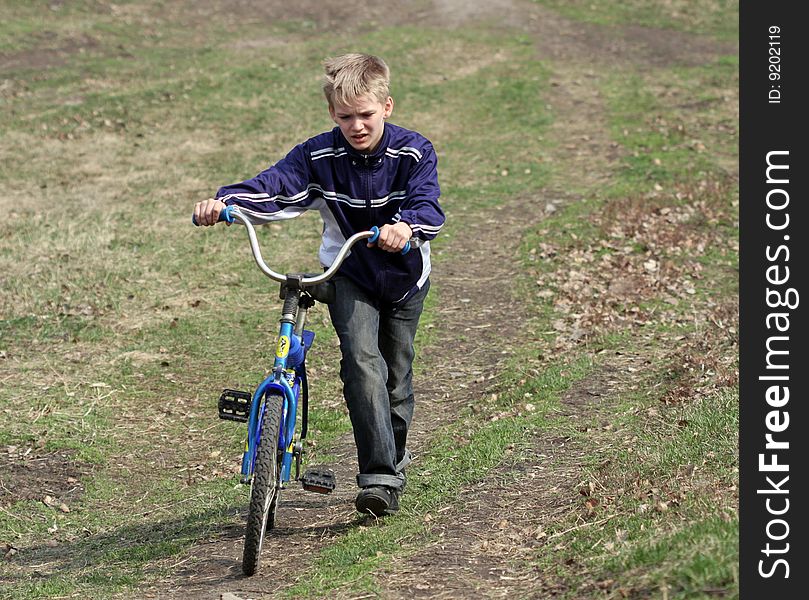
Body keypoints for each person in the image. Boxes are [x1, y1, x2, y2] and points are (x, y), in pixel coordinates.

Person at [193, 53, 445, 516]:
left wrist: (406, 227)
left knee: (396, 379)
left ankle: (394, 455)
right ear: (333, 114)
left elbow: (428, 205)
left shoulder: (413, 152)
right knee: (361, 365)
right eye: (346, 116)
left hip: (405, 277)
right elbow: (276, 185)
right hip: (347, 274)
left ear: (387, 107)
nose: (357, 126)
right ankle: (379, 479)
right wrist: (224, 202)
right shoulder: (318, 155)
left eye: (366, 115)